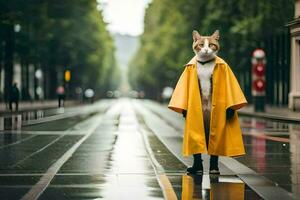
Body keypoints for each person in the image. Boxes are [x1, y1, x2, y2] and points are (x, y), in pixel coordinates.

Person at [168, 30, 247, 174]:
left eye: (211, 45)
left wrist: (231, 107)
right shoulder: (191, 66)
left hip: (215, 106)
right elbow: (184, 88)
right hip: (197, 107)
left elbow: (230, 86)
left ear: (217, 44)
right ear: (194, 43)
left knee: (215, 133)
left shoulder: (222, 65)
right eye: (200, 45)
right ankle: (197, 164)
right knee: (195, 134)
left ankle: (214, 165)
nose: (205, 49)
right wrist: (185, 107)